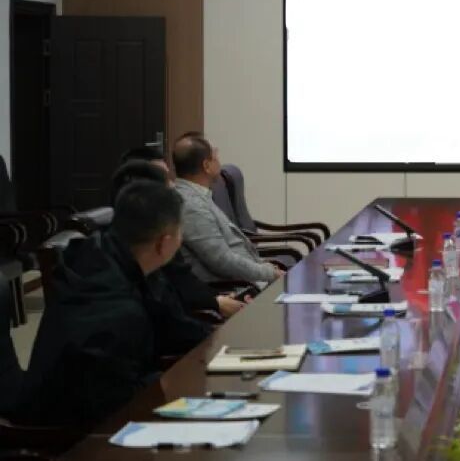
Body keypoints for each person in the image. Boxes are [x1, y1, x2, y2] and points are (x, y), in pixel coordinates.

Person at [15, 181, 208, 426]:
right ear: (164, 243)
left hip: (98, 401)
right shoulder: (115, 309)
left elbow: (172, 325)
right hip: (72, 431)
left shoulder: (106, 255)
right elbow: (116, 406)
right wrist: (173, 381)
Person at [112, 160, 248, 318]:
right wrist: (216, 303)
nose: (174, 185)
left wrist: (218, 299)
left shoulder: (125, 253)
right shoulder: (122, 302)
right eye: (167, 179)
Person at [172, 132, 281, 285]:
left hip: (249, 278)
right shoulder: (191, 206)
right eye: (216, 157)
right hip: (236, 288)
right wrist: (269, 273)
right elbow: (222, 261)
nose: (220, 162)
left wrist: (265, 267)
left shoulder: (198, 195)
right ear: (206, 166)